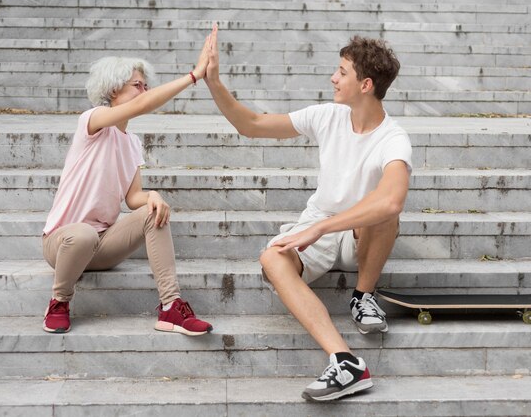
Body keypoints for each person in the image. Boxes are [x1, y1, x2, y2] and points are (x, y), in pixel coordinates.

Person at [204, 25, 412, 401]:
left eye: (342, 72)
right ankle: (346, 362)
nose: (333, 78)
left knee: (384, 211)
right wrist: (214, 82)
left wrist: (323, 228)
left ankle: (363, 295)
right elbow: (251, 125)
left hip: (357, 237)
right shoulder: (327, 116)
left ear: (365, 85)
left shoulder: (393, 138)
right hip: (318, 227)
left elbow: (392, 200)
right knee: (272, 257)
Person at [41, 37, 213, 336]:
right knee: (81, 233)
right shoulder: (92, 122)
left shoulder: (131, 143)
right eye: (138, 84)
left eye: (145, 85)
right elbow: (147, 104)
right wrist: (194, 75)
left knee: (152, 211)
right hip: (63, 243)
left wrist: (154, 196)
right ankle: (59, 302)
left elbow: (134, 198)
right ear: (113, 90)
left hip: (101, 245)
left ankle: (171, 307)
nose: (144, 91)